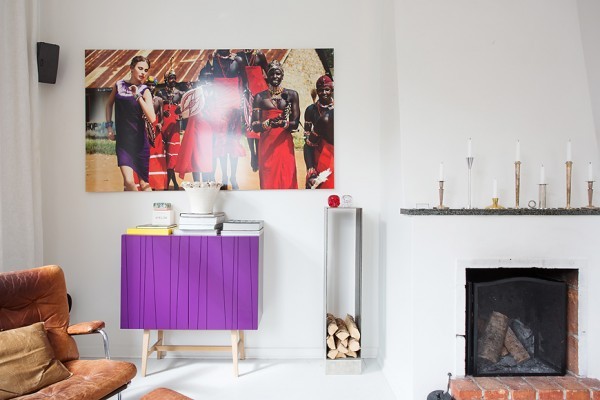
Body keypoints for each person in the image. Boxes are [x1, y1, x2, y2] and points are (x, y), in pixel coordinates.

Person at [105, 55, 156, 191]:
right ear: (131, 68)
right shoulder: (119, 85)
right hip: (123, 142)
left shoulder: (145, 91)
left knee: (144, 184)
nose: (143, 73)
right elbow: (108, 105)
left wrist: (137, 96)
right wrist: (109, 127)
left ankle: (145, 209)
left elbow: (152, 117)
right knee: (128, 182)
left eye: (146, 70)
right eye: (140, 68)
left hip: (140, 143)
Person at [251, 60, 300, 189]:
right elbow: (254, 125)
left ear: (282, 75)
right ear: (267, 76)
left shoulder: (291, 95)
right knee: (268, 178)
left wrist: (284, 123)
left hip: (284, 143)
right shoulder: (259, 97)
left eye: (278, 74)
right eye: (272, 74)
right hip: (267, 144)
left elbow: (295, 123)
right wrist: (267, 124)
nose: (275, 77)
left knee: (287, 176)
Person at [210, 49, 246, 190]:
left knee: (233, 144)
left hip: (235, 107)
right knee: (222, 144)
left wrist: (243, 105)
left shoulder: (238, 61)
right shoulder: (212, 60)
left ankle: (233, 177)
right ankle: (224, 176)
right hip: (219, 109)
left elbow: (245, 84)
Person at [232, 49, 268, 172]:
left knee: (258, 124)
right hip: (247, 95)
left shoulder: (260, 55)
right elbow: (235, 78)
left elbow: (269, 73)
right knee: (249, 124)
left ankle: (258, 154)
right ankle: (253, 154)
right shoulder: (239, 58)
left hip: (261, 93)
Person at [155, 62, 183, 190]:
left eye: (174, 78)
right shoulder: (160, 93)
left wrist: (181, 114)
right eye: (171, 78)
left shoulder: (180, 93)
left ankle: (173, 183)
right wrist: (162, 111)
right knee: (163, 154)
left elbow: (184, 110)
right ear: (166, 79)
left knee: (172, 155)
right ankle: (167, 182)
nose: (173, 80)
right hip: (163, 125)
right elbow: (157, 109)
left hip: (174, 126)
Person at [303, 75, 334, 188]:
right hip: (316, 149)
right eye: (321, 90)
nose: (324, 93)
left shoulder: (338, 108)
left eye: (327, 89)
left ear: (332, 90)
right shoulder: (311, 110)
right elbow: (307, 138)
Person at [145, 75, 168, 190]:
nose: (150, 87)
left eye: (153, 85)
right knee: (146, 154)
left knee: (156, 154)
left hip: (156, 129)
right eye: (148, 85)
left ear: (156, 86)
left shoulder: (159, 100)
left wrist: (160, 124)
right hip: (144, 128)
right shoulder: (142, 99)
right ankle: (146, 182)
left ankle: (157, 182)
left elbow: (162, 117)